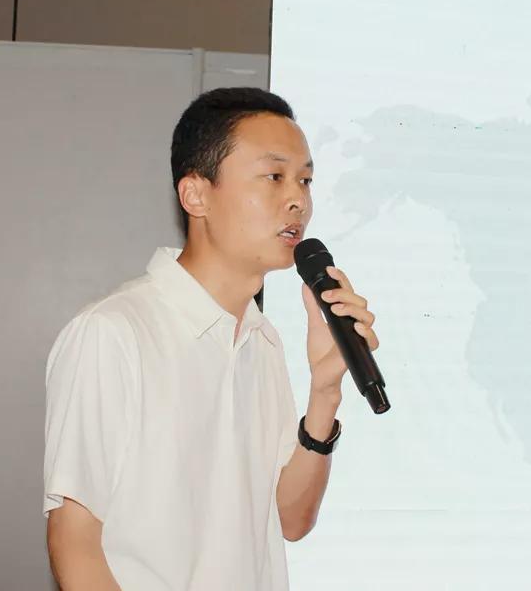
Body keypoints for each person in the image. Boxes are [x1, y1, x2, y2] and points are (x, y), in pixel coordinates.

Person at [43, 87, 380, 590]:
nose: (298, 200)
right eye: (274, 176)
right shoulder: (113, 333)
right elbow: (75, 544)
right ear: (196, 195)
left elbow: (291, 519)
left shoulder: (263, 341)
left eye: (305, 180)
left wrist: (325, 391)